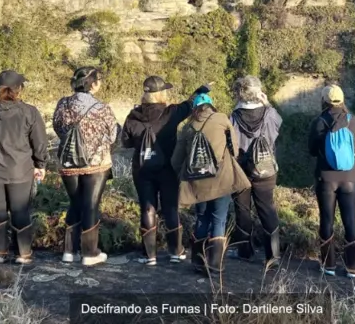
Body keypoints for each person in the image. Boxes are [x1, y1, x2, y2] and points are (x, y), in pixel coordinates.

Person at [121, 76, 210, 266]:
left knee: (147, 208)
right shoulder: (171, 112)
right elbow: (190, 103)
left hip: (142, 168)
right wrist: (201, 89)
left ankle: (149, 255)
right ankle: (176, 251)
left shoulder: (133, 116)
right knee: (170, 207)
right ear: (161, 94)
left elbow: (126, 142)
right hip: (168, 168)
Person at [0, 70, 48, 265]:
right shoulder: (29, 112)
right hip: (20, 170)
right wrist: (41, 164)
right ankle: (23, 253)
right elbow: (39, 142)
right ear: (19, 89)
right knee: (20, 211)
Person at [171, 91, 251, 284]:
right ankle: (214, 266)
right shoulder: (222, 119)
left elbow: (176, 160)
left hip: (197, 182)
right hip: (221, 179)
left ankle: (198, 262)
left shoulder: (188, 127)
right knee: (219, 219)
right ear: (211, 106)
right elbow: (235, 149)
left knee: (202, 218)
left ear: (195, 109)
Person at [52, 67, 119, 266]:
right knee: (90, 205)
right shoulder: (102, 107)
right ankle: (90, 253)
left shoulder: (63, 103)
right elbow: (113, 135)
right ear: (93, 84)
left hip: (68, 162)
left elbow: (58, 127)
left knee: (75, 203)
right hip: (96, 163)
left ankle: (69, 251)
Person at [307, 84, 355, 278]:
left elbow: (311, 150)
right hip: (350, 178)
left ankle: (328, 265)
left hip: (326, 179)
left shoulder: (319, 122)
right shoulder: (353, 121)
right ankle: (353, 267)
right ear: (342, 100)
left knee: (326, 220)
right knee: (350, 221)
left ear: (324, 100)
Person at [227, 76, 283, 270]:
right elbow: (278, 127)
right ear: (258, 93)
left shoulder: (234, 116)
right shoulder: (270, 114)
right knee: (267, 208)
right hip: (265, 170)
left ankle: (244, 251)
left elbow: (230, 143)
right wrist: (267, 103)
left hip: (241, 169)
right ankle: (273, 255)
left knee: (242, 209)